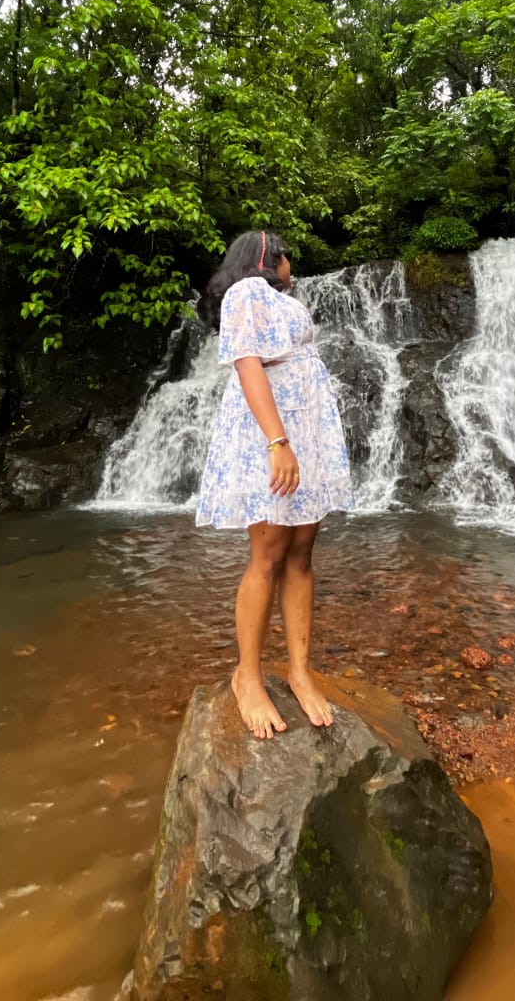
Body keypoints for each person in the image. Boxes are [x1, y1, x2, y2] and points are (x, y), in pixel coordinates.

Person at [196, 229, 355, 739]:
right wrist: (277, 442)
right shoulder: (246, 293)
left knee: (301, 555)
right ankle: (247, 676)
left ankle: (300, 672)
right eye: (287, 255)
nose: (292, 264)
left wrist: (302, 440)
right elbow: (248, 367)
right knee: (266, 555)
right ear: (267, 258)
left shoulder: (282, 301)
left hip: (305, 432)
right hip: (274, 433)